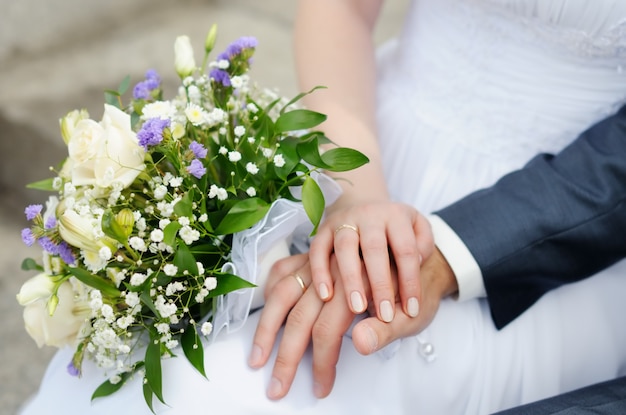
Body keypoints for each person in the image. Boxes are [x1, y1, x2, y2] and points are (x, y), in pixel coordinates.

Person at [19, 0, 626, 414]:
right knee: (159, 354)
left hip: (554, 227)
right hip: (360, 137)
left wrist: (439, 254)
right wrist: (356, 192)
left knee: (233, 390)